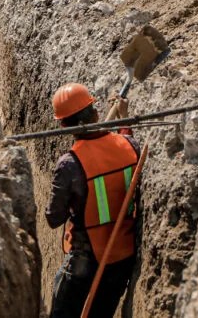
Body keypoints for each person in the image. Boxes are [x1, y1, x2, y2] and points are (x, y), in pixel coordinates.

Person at [46, 84, 139, 318]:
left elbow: (53, 218)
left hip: (85, 259)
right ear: (96, 114)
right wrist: (124, 119)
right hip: (122, 256)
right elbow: (125, 142)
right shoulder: (131, 147)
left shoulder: (69, 164)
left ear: (64, 126)